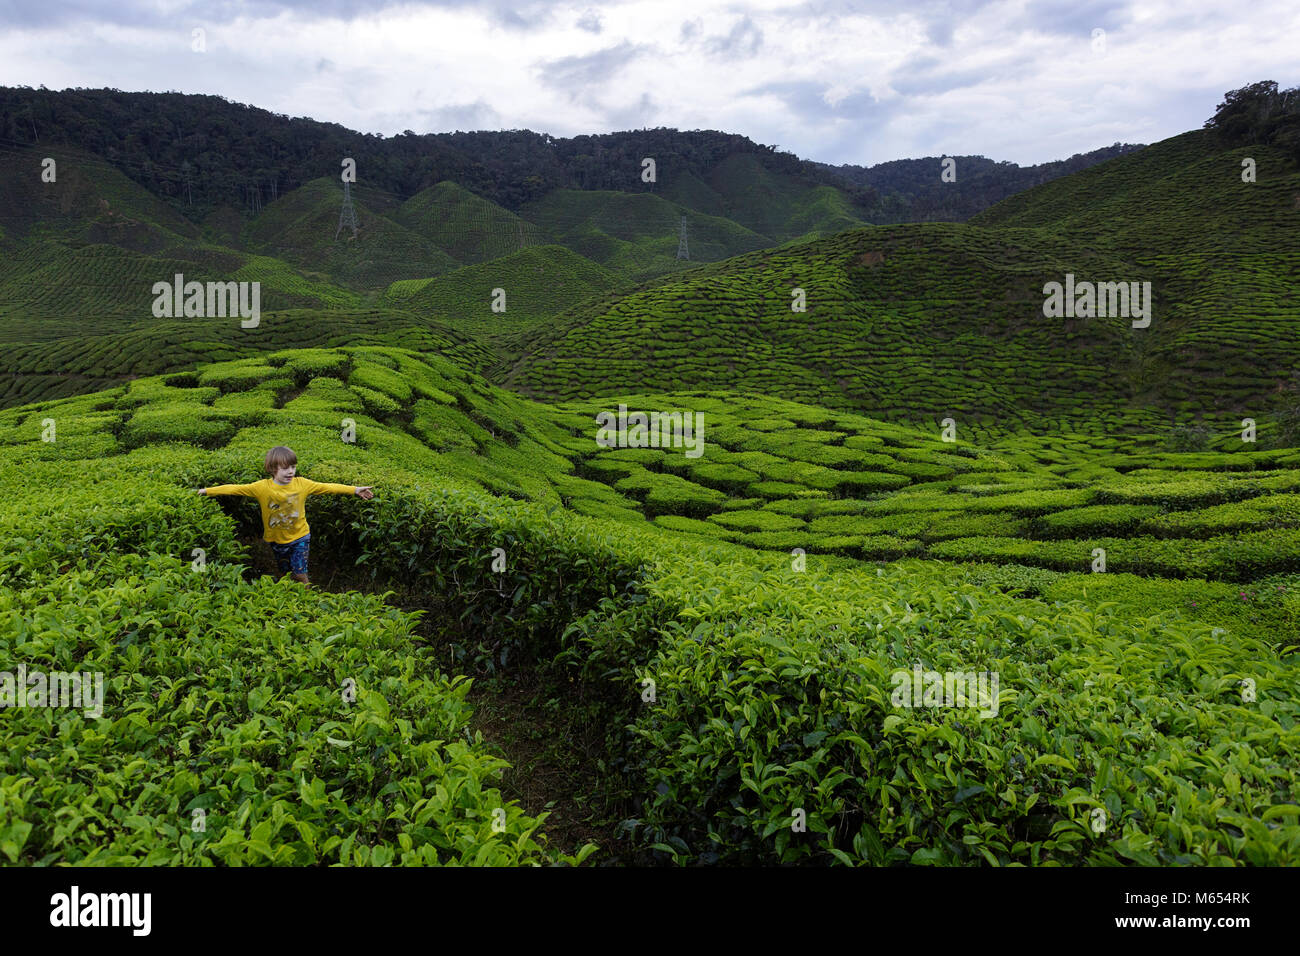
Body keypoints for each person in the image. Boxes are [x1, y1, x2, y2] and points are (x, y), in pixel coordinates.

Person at [198, 445, 374, 588]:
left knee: (299, 572)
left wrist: (355, 490)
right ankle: (290, 594)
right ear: (272, 469)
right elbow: (234, 488)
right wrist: (206, 491)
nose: (291, 472)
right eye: (285, 468)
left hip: (300, 536)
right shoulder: (262, 487)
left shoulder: (302, 484)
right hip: (275, 540)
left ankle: (308, 597)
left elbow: (327, 487)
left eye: (293, 467)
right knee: (285, 572)